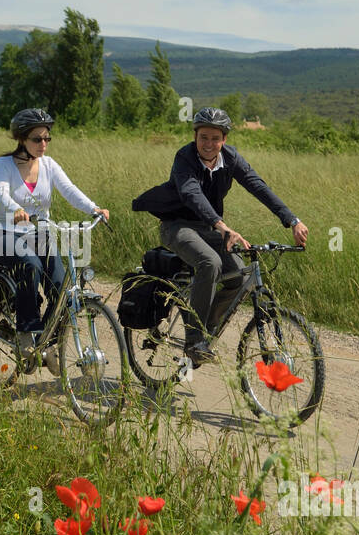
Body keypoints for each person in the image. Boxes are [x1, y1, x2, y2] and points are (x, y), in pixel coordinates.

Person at [131, 107, 307, 365]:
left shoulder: (231, 158)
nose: (209, 144)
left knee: (238, 276)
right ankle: (195, 342)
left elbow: (257, 186)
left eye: (215, 138)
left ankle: (205, 327)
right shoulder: (185, 158)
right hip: (178, 226)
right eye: (203, 137)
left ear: (224, 139)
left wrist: (291, 220)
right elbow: (192, 194)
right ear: (195, 137)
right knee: (209, 262)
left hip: (210, 228)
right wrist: (221, 225)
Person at [0, 108, 109, 372]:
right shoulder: (4, 165)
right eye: (37, 139)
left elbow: (69, 190)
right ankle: (26, 332)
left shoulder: (48, 165)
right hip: (7, 235)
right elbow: (1, 193)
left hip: (39, 234)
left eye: (47, 139)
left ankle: (50, 342)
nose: (43, 144)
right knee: (30, 266)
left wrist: (94, 208)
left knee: (61, 284)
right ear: (22, 139)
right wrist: (15, 210)